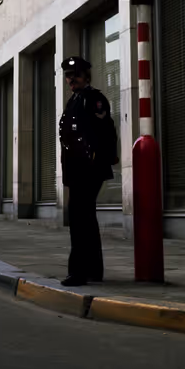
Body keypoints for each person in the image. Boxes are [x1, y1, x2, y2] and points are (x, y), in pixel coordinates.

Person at [59, 55, 118, 287]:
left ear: (87, 76)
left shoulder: (94, 99)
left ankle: (79, 273)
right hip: (76, 169)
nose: (72, 79)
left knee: (79, 218)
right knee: (86, 218)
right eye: (68, 76)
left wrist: (98, 160)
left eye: (76, 75)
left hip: (88, 168)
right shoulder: (74, 100)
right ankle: (93, 270)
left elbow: (105, 132)